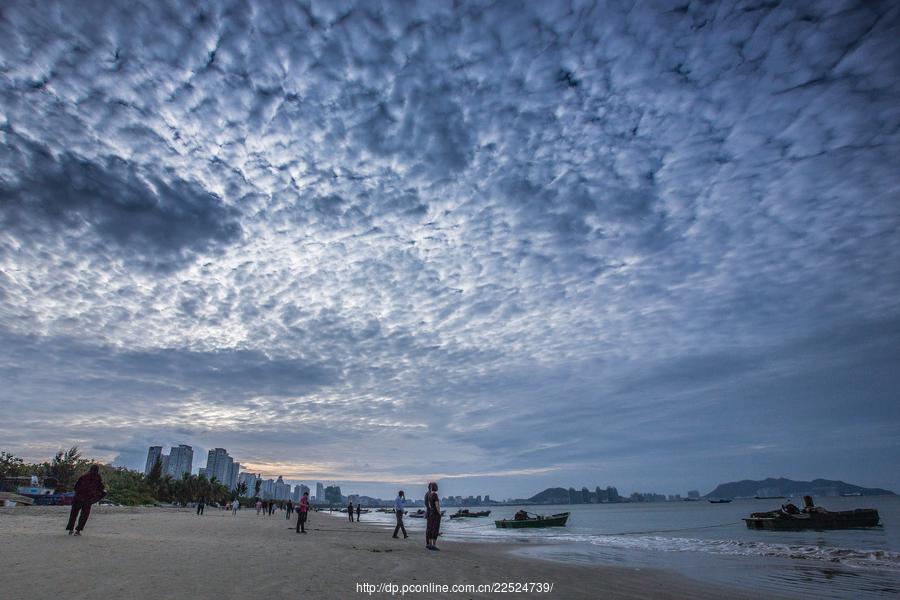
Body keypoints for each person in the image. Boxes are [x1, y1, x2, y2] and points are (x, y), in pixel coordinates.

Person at [65, 465, 106, 536]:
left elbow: (76, 487)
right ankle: (78, 531)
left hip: (78, 498)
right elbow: (101, 488)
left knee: (73, 514)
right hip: (88, 499)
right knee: (84, 515)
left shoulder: (83, 477)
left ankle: (70, 529)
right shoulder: (97, 478)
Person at [424, 482, 441, 551]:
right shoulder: (435, 495)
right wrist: (439, 513)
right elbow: (437, 505)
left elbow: (427, 504)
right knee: (435, 528)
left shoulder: (429, 495)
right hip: (435, 513)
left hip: (430, 513)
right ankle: (433, 545)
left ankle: (429, 544)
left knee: (430, 528)